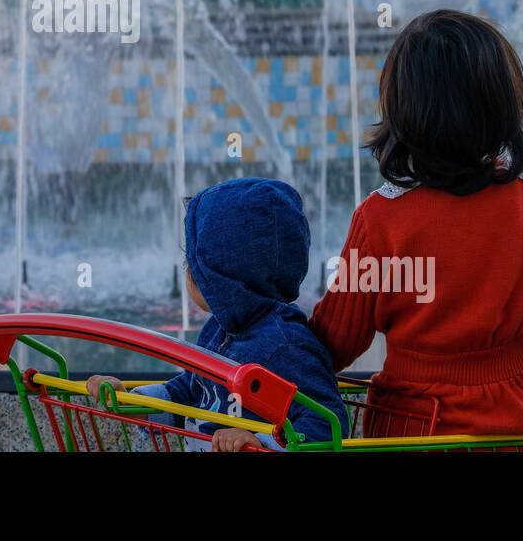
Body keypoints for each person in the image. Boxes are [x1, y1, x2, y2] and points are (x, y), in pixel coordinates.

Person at [309, 9, 523, 451]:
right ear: (502, 103)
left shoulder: (380, 219)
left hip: (413, 432)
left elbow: (334, 341)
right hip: (522, 425)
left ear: (406, 111)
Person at [87, 177, 348, 451]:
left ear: (224, 277)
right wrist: (130, 401)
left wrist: (261, 443)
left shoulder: (285, 346)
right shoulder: (218, 330)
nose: (188, 273)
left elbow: (327, 424)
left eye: (194, 263)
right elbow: (187, 392)